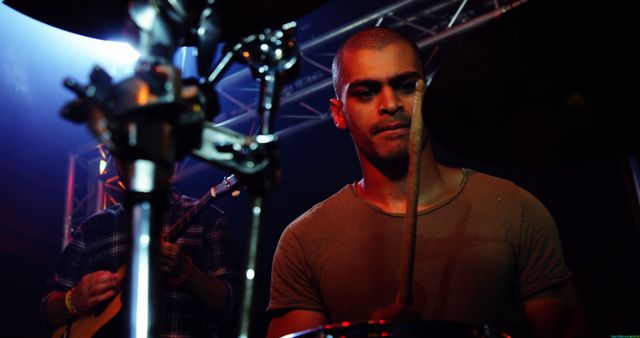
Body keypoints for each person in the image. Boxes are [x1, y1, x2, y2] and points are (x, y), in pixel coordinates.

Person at [266, 27, 588, 338]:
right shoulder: (304, 241)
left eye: (406, 86)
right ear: (339, 113)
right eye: (366, 92)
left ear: (428, 92)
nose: (390, 104)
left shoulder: (514, 208)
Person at [41, 184, 239, 337]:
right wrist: (73, 300)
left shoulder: (209, 220)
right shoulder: (93, 228)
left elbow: (232, 306)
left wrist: (187, 271)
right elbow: (48, 312)